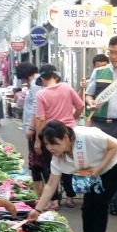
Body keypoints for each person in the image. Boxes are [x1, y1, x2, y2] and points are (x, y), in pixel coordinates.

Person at [27, 121, 117, 232]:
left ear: (66, 138)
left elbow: (114, 146)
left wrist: (99, 168)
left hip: (114, 165)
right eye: (47, 144)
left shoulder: (87, 135)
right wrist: (37, 210)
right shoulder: (58, 158)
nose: (50, 148)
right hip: (93, 172)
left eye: (54, 143)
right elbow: (51, 185)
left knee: (99, 202)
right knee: (87, 205)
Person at [85, 36, 117, 216]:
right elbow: (89, 94)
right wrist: (90, 102)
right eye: (110, 52)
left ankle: (114, 202)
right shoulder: (99, 72)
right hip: (99, 124)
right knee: (97, 160)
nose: (113, 56)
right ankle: (95, 197)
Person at [34, 64, 85, 209]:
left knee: (50, 167)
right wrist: (71, 119)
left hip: (50, 135)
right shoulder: (66, 87)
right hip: (68, 133)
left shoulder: (41, 94)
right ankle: (70, 197)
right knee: (70, 165)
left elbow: (41, 119)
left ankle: (55, 201)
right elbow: (80, 105)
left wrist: (38, 139)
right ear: (55, 76)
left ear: (43, 78)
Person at [16, 62, 45, 196]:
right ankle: (40, 189)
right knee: (38, 159)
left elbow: (36, 108)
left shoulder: (35, 84)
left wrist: (31, 128)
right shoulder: (36, 82)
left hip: (34, 127)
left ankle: (39, 190)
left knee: (35, 160)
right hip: (34, 126)